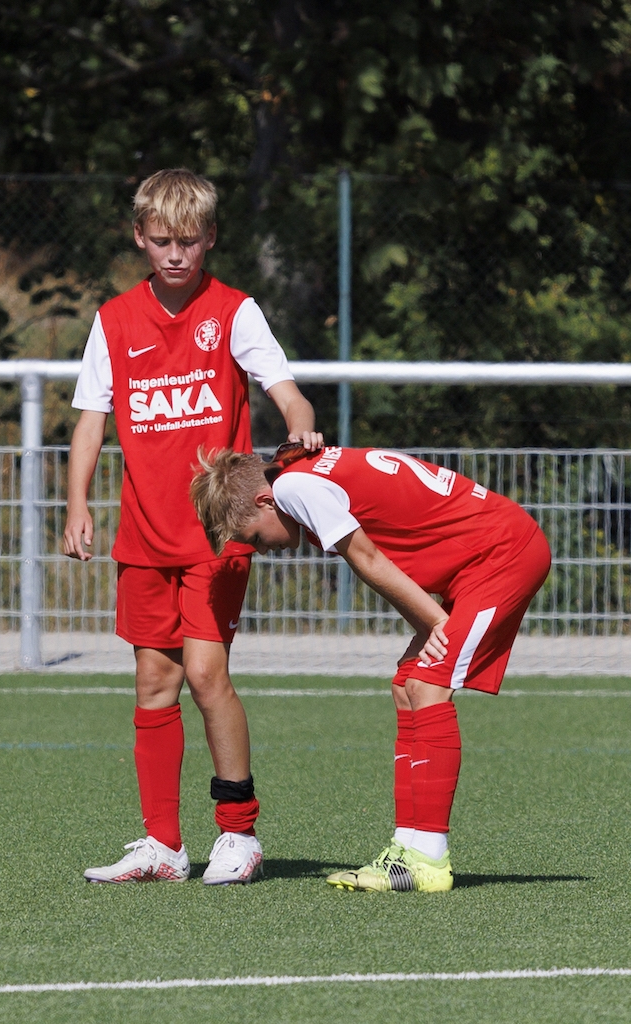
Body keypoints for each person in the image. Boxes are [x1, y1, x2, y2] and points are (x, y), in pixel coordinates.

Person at [63, 168, 322, 886]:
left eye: (188, 240)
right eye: (161, 240)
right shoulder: (114, 319)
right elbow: (90, 421)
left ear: (210, 237)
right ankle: (163, 846)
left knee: (206, 676)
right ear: (139, 237)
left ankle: (238, 833)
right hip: (143, 536)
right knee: (154, 682)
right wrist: (77, 504)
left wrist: (301, 430)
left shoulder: (235, 312)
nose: (174, 253)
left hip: (215, 536)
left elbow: (289, 394)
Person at [189, 443, 551, 893]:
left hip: (502, 556)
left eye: (255, 538)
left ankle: (428, 859)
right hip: (480, 559)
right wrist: (431, 622)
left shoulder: (293, 488)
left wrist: (436, 623)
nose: (261, 550)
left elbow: (369, 560)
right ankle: (406, 848)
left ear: (264, 502)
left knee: (427, 684)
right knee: (406, 684)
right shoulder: (295, 471)